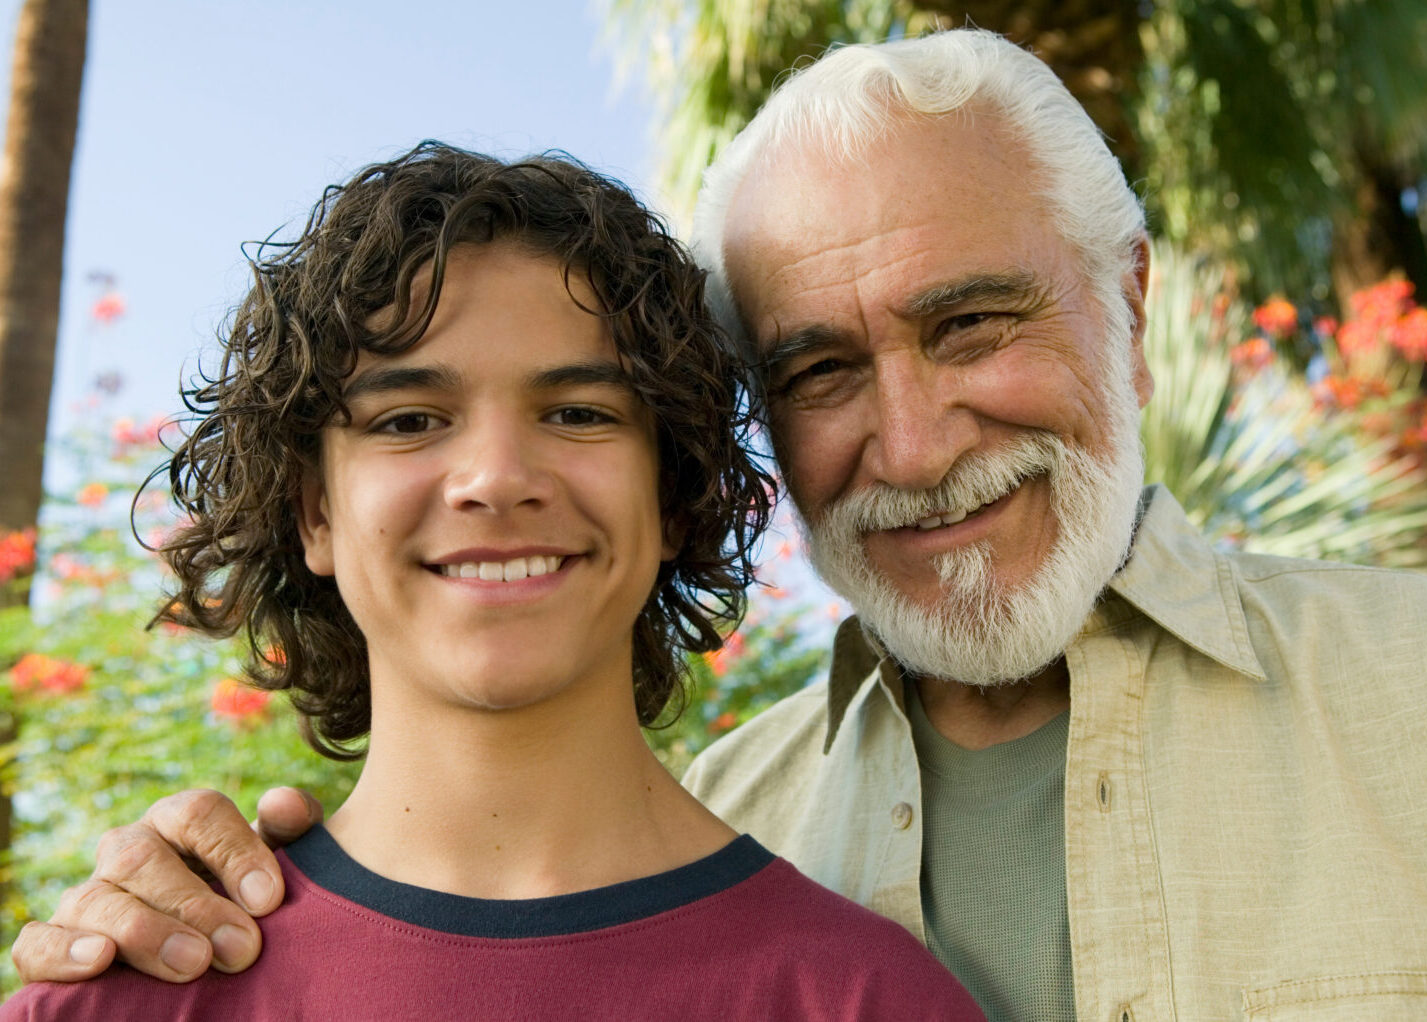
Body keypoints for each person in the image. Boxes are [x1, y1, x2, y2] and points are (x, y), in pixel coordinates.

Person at [15, 29, 1427, 1022]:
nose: (911, 440)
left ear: (1129, 301)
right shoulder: (734, 808)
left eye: (969, 323)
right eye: (821, 369)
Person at [1, 142, 984, 1020]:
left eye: (580, 413)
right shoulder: (116, 997)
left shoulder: (867, 998)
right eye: (409, 420)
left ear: (673, 493)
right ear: (316, 512)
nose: (497, 477)